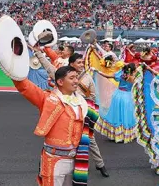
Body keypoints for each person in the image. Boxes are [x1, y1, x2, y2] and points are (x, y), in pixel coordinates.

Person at [34, 49, 110, 178]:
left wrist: (86, 108)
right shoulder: (62, 75)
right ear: (72, 64)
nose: (81, 64)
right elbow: (48, 66)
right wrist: (38, 54)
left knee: (90, 140)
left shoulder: (87, 77)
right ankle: (48, 166)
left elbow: (92, 96)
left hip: (81, 114)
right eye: (79, 62)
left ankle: (100, 164)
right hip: (64, 115)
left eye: (82, 62)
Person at [100, 63, 139, 143]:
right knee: (127, 115)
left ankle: (116, 134)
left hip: (117, 95)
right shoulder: (133, 78)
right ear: (133, 70)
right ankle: (125, 134)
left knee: (117, 114)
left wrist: (98, 72)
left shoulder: (121, 74)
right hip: (127, 97)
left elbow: (108, 76)